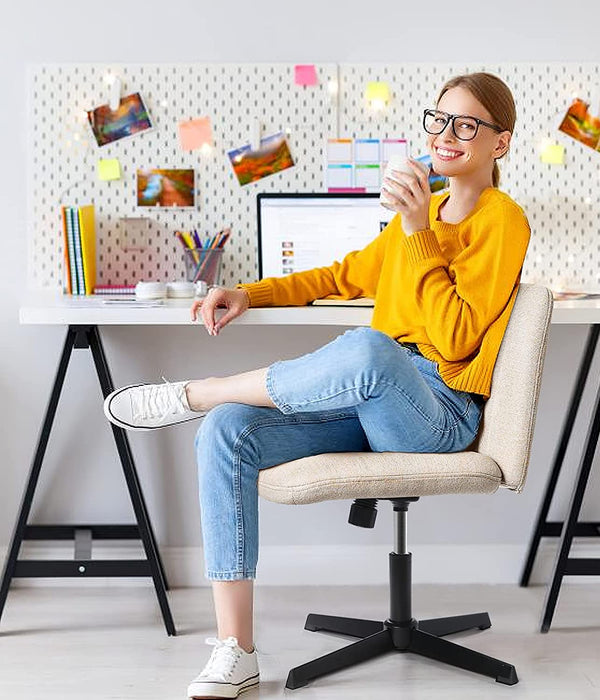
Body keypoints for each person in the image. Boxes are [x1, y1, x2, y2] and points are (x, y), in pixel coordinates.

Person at [103, 72, 531, 700]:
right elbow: (340, 275)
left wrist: (417, 232)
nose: (447, 135)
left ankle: (200, 390)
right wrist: (251, 292)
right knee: (229, 432)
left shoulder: (502, 220)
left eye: (468, 125)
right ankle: (236, 650)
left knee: (367, 348)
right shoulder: (428, 211)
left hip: (439, 414)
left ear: (501, 144)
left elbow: (460, 335)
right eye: (439, 120)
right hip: (375, 403)